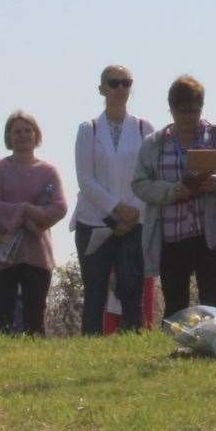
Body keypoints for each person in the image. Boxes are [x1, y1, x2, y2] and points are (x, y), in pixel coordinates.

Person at [132, 75, 216, 318]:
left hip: (213, 232)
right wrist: (171, 191)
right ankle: (175, 347)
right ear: (171, 109)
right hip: (172, 233)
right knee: (175, 301)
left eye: (194, 110)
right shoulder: (155, 144)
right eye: (182, 111)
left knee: (212, 297)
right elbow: (140, 184)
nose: (188, 117)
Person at [72, 64, 154, 334]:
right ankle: (90, 346)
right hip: (94, 221)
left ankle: (132, 344)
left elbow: (149, 175)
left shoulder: (144, 128)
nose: (120, 88)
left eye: (126, 83)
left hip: (134, 222)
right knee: (95, 290)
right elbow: (85, 179)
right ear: (102, 88)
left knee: (132, 289)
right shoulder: (89, 129)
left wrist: (132, 213)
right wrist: (115, 209)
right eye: (113, 82)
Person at [0, 111, 67, 336]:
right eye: (17, 131)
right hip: (1, 252)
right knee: (2, 313)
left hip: (36, 252)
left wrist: (33, 217)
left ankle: (35, 359)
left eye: (28, 131)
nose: (23, 136)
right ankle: (1, 359)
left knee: (35, 312)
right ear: (9, 136)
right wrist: (23, 211)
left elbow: (59, 207)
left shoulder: (48, 171)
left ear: (36, 135)